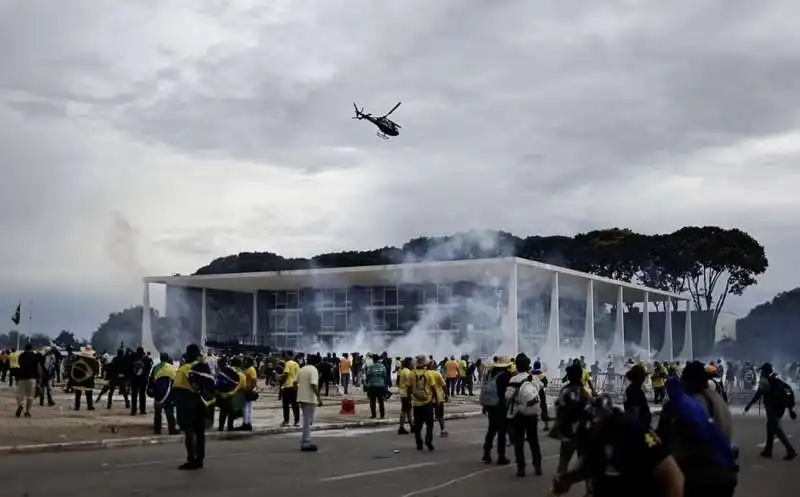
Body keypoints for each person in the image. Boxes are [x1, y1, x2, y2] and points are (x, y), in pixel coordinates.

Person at [552, 395, 685, 497]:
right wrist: (569, 478)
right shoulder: (595, 436)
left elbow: (673, 475)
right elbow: (592, 463)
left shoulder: (636, 432)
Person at [744, 362, 798, 460]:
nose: (761, 373)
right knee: (770, 427)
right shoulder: (776, 381)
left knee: (776, 428)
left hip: (773, 408)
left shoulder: (769, 382)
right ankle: (768, 450)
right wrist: (790, 409)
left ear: (765, 372)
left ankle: (791, 450)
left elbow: (758, 394)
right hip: (778, 408)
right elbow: (788, 391)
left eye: (762, 371)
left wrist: (749, 406)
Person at [173, 344, 214, 470]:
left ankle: (191, 459)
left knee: (189, 432)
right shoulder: (205, 367)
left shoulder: (185, 368)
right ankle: (200, 459)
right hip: (203, 405)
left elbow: (177, 387)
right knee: (200, 432)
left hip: (188, 404)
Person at [506, 353, 543, 477]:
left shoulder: (513, 380)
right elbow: (539, 389)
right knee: (534, 440)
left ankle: (521, 468)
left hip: (518, 413)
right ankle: (538, 467)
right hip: (532, 413)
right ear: (528, 365)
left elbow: (508, 396)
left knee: (519, 442)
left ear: (517, 366)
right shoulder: (534, 378)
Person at [297, 353, 323, 451]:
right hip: (309, 399)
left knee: (308, 420)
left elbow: (296, 382)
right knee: (308, 421)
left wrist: (299, 393)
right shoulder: (313, 370)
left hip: (301, 398)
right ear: (317, 363)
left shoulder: (302, 369)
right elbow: (313, 384)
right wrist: (319, 397)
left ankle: (305, 440)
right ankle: (306, 442)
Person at [410, 355, 436, 451]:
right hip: (427, 402)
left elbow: (409, 388)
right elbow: (433, 388)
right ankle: (428, 440)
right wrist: (436, 400)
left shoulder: (411, 374)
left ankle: (419, 443)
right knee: (430, 423)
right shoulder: (428, 374)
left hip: (416, 403)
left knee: (418, 425)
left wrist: (410, 398)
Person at [15, 344, 40, 418]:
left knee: (19, 396)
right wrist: (39, 379)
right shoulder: (35, 356)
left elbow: (19, 364)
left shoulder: (21, 355)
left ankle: (20, 405)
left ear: (25, 349)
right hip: (32, 379)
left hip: (22, 378)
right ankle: (27, 412)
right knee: (30, 397)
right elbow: (38, 367)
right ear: (32, 349)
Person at [365, 353, 387, 419]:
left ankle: (373, 415)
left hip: (372, 386)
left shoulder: (370, 367)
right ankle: (382, 415)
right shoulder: (383, 366)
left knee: (372, 401)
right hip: (381, 385)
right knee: (381, 401)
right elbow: (384, 376)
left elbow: (368, 376)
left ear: (373, 360)